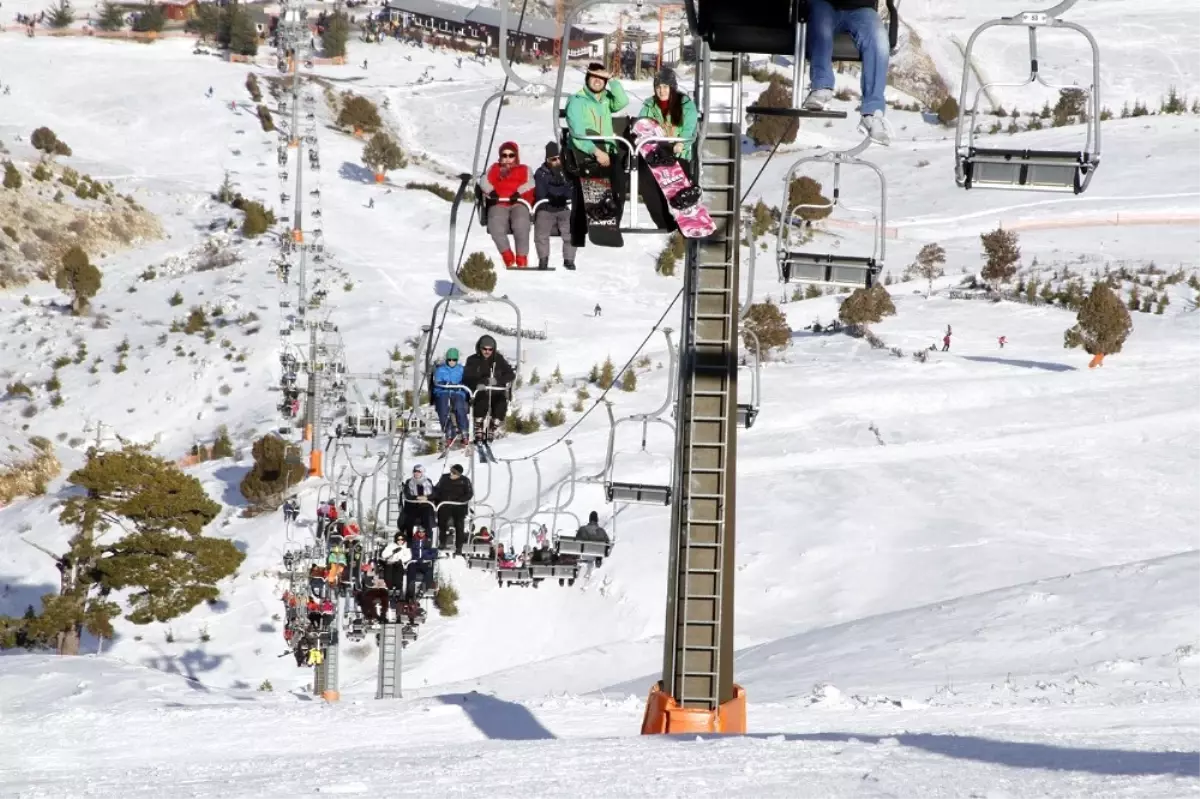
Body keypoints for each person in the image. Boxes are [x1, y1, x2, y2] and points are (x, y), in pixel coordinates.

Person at [801, 0, 892, 146]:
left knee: (879, 39)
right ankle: (822, 87)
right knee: (820, 21)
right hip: (824, 4)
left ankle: (872, 113)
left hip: (861, 8)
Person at [565, 63, 629, 247]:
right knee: (582, 193)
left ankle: (610, 223)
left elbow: (622, 102)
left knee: (619, 187)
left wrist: (614, 80)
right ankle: (578, 236)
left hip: (609, 151)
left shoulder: (606, 99)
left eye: (602, 78)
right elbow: (577, 133)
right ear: (587, 78)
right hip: (585, 152)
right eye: (594, 77)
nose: (598, 81)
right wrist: (595, 151)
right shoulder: (577, 101)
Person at [634, 67, 699, 230]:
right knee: (646, 183)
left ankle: (688, 215)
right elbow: (641, 125)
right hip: (655, 155)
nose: (661, 91)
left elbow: (689, 127)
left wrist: (681, 144)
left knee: (676, 184)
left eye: (665, 87)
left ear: (672, 87)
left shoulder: (685, 104)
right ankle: (664, 222)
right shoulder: (650, 105)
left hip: (677, 152)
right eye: (658, 87)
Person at [479, 141, 535, 268]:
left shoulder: (524, 169)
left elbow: (531, 183)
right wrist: (491, 191)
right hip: (499, 202)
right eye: (504, 155)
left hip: (518, 202)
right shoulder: (494, 168)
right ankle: (506, 254)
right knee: (494, 223)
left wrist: (518, 193)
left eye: (511, 155)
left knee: (521, 223)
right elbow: (484, 180)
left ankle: (522, 256)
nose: (508, 159)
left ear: (516, 156)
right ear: (500, 156)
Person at [462, 334, 515, 440]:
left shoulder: (498, 359)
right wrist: (479, 384)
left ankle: (493, 426)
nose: (487, 352)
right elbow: (468, 377)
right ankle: (479, 425)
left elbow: (510, 374)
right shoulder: (472, 360)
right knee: (482, 400)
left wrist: (497, 380)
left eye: (490, 349)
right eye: (484, 349)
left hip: (496, 391)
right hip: (480, 391)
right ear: (479, 348)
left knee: (501, 404)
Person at [533, 142, 576, 271]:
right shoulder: (541, 173)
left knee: (571, 231)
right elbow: (541, 192)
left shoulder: (567, 172)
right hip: (546, 208)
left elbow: (571, 189)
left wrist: (563, 196)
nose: (557, 161)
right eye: (553, 159)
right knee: (541, 233)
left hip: (563, 207)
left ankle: (569, 260)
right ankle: (543, 260)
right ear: (547, 160)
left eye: (559, 158)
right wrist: (553, 196)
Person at [432, 347, 470, 446]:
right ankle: (448, 431)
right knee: (443, 408)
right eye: (449, 360)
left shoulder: (461, 369)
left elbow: (466, 380)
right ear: (446, 359)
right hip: (443, 391)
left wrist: (461, 386)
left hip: (457, 392)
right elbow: (437, 382)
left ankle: (464, 431)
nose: (452, 362)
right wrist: (444, 383)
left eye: (454, 360)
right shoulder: (441, 370)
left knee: (459, 407)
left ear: (457, 360)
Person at [432, 463, 473, 554]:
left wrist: (460, 500)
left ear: (459, 474)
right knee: (442, 524)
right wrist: (435, 499)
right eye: (451, 471)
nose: (452, 474)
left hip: (458, 507)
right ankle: (442, 542)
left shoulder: (465, 481)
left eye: (454, 472)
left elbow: (469, 493)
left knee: (459, 526)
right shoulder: (444, 478)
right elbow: (437, 489)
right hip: (445, 505)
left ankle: (459, 547)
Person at [405, 527, 439, 601]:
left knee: (429, 571)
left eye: (423, 532)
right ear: (417, 532)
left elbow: (435, 553)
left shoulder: (428, 541)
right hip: (414, 561)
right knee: (411, 570)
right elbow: (407, 551)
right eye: (419, 532)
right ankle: (410, 592)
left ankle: (422, 589)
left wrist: (427, 557)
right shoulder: (413, 540)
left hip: (424, 561)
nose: (421, 533)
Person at [400, 465, 435, 534]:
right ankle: (409, 540)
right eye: (415, 471)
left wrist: (426, 497)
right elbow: (407, 494)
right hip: (412, 505)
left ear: (422, 472)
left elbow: (433, 494)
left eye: (418, 472)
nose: (416, 473)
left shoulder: (428, 481)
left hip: (425, 506)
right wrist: (417, 497)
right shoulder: (409, 482)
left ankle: (427, 540)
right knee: (409, 522)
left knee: (427, 522)